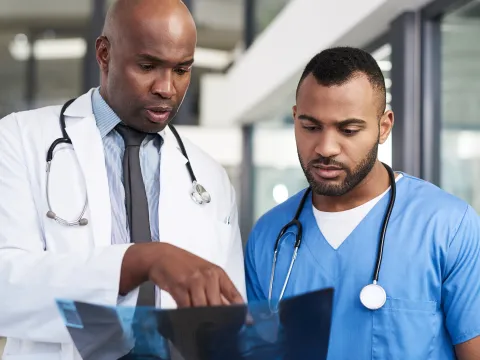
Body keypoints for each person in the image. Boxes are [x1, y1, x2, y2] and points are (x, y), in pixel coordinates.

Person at [0, 0, 245, 359]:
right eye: (148, 66)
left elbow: (228, 313)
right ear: (104, 54)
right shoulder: (19, 138)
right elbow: (6, 289)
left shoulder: (209, 176)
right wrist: (137, 261)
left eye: (182, 69)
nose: (167, 87)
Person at [244, 46, 480, 359]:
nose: (326, 147)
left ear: (384, 127)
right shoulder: (269, 234)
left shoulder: (447, 224)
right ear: (294, 118)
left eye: (349, 129)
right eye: (311, 127)